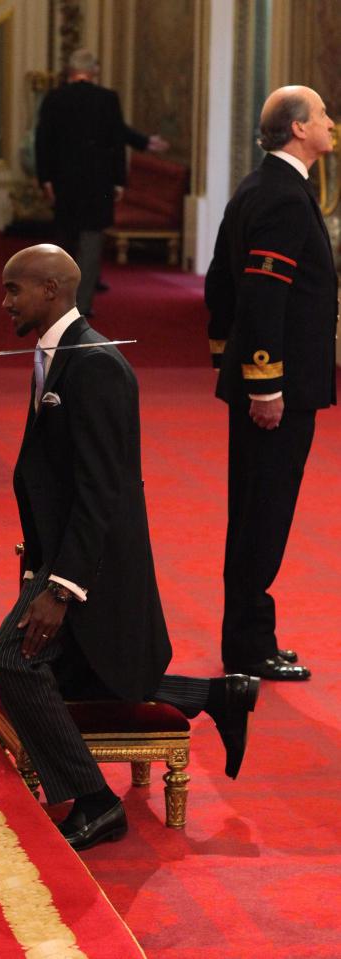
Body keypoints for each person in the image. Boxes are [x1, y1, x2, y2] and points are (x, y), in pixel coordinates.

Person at [0, 244, 260, 851]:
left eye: (14, 290)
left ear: (53, 290)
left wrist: (61, 588)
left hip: (91, 568)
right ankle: (216, 695)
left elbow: (102, 490)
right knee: (85, 670)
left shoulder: (97, 365)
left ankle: (95, 800)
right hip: (57, 556)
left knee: (11, 660)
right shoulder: (59, 355)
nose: (4, 302)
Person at [204, 86, 337, 682]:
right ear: (299, 129)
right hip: (278, 390)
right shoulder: (282, 196)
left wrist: (224, 356)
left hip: (270, 381)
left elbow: (218, 281)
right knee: (264, 514)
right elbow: (261, 293)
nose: (332, 123)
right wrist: (263, 383)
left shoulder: (261, 185)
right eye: (324, 115)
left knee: (257, 511)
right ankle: (248, 648)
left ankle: (252, 637)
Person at [34, 48, 168, 313]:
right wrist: (119, 180)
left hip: (64, 181)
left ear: (70, 71)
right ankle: (82, 305)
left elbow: (43, 141)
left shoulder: (55, 98)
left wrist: (45, 178)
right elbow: (117, 139)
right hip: (98, 182)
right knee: (91, 243)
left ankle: (60, 303)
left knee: (65, 243)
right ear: (94, 71)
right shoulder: (107, 99)